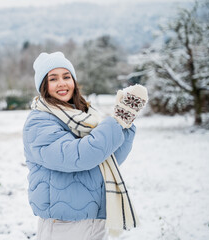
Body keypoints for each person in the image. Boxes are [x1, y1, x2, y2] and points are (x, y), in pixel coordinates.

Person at [22, 52, 148, 240]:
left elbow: (109, 157)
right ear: (44, 86)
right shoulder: (39, 122)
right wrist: (115, 122)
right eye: (53, 79)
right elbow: (79, 156)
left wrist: (125, 124)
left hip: (95, 216)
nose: (62, 83)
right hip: (64, 223)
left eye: (66, 76)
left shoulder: (85, 116)